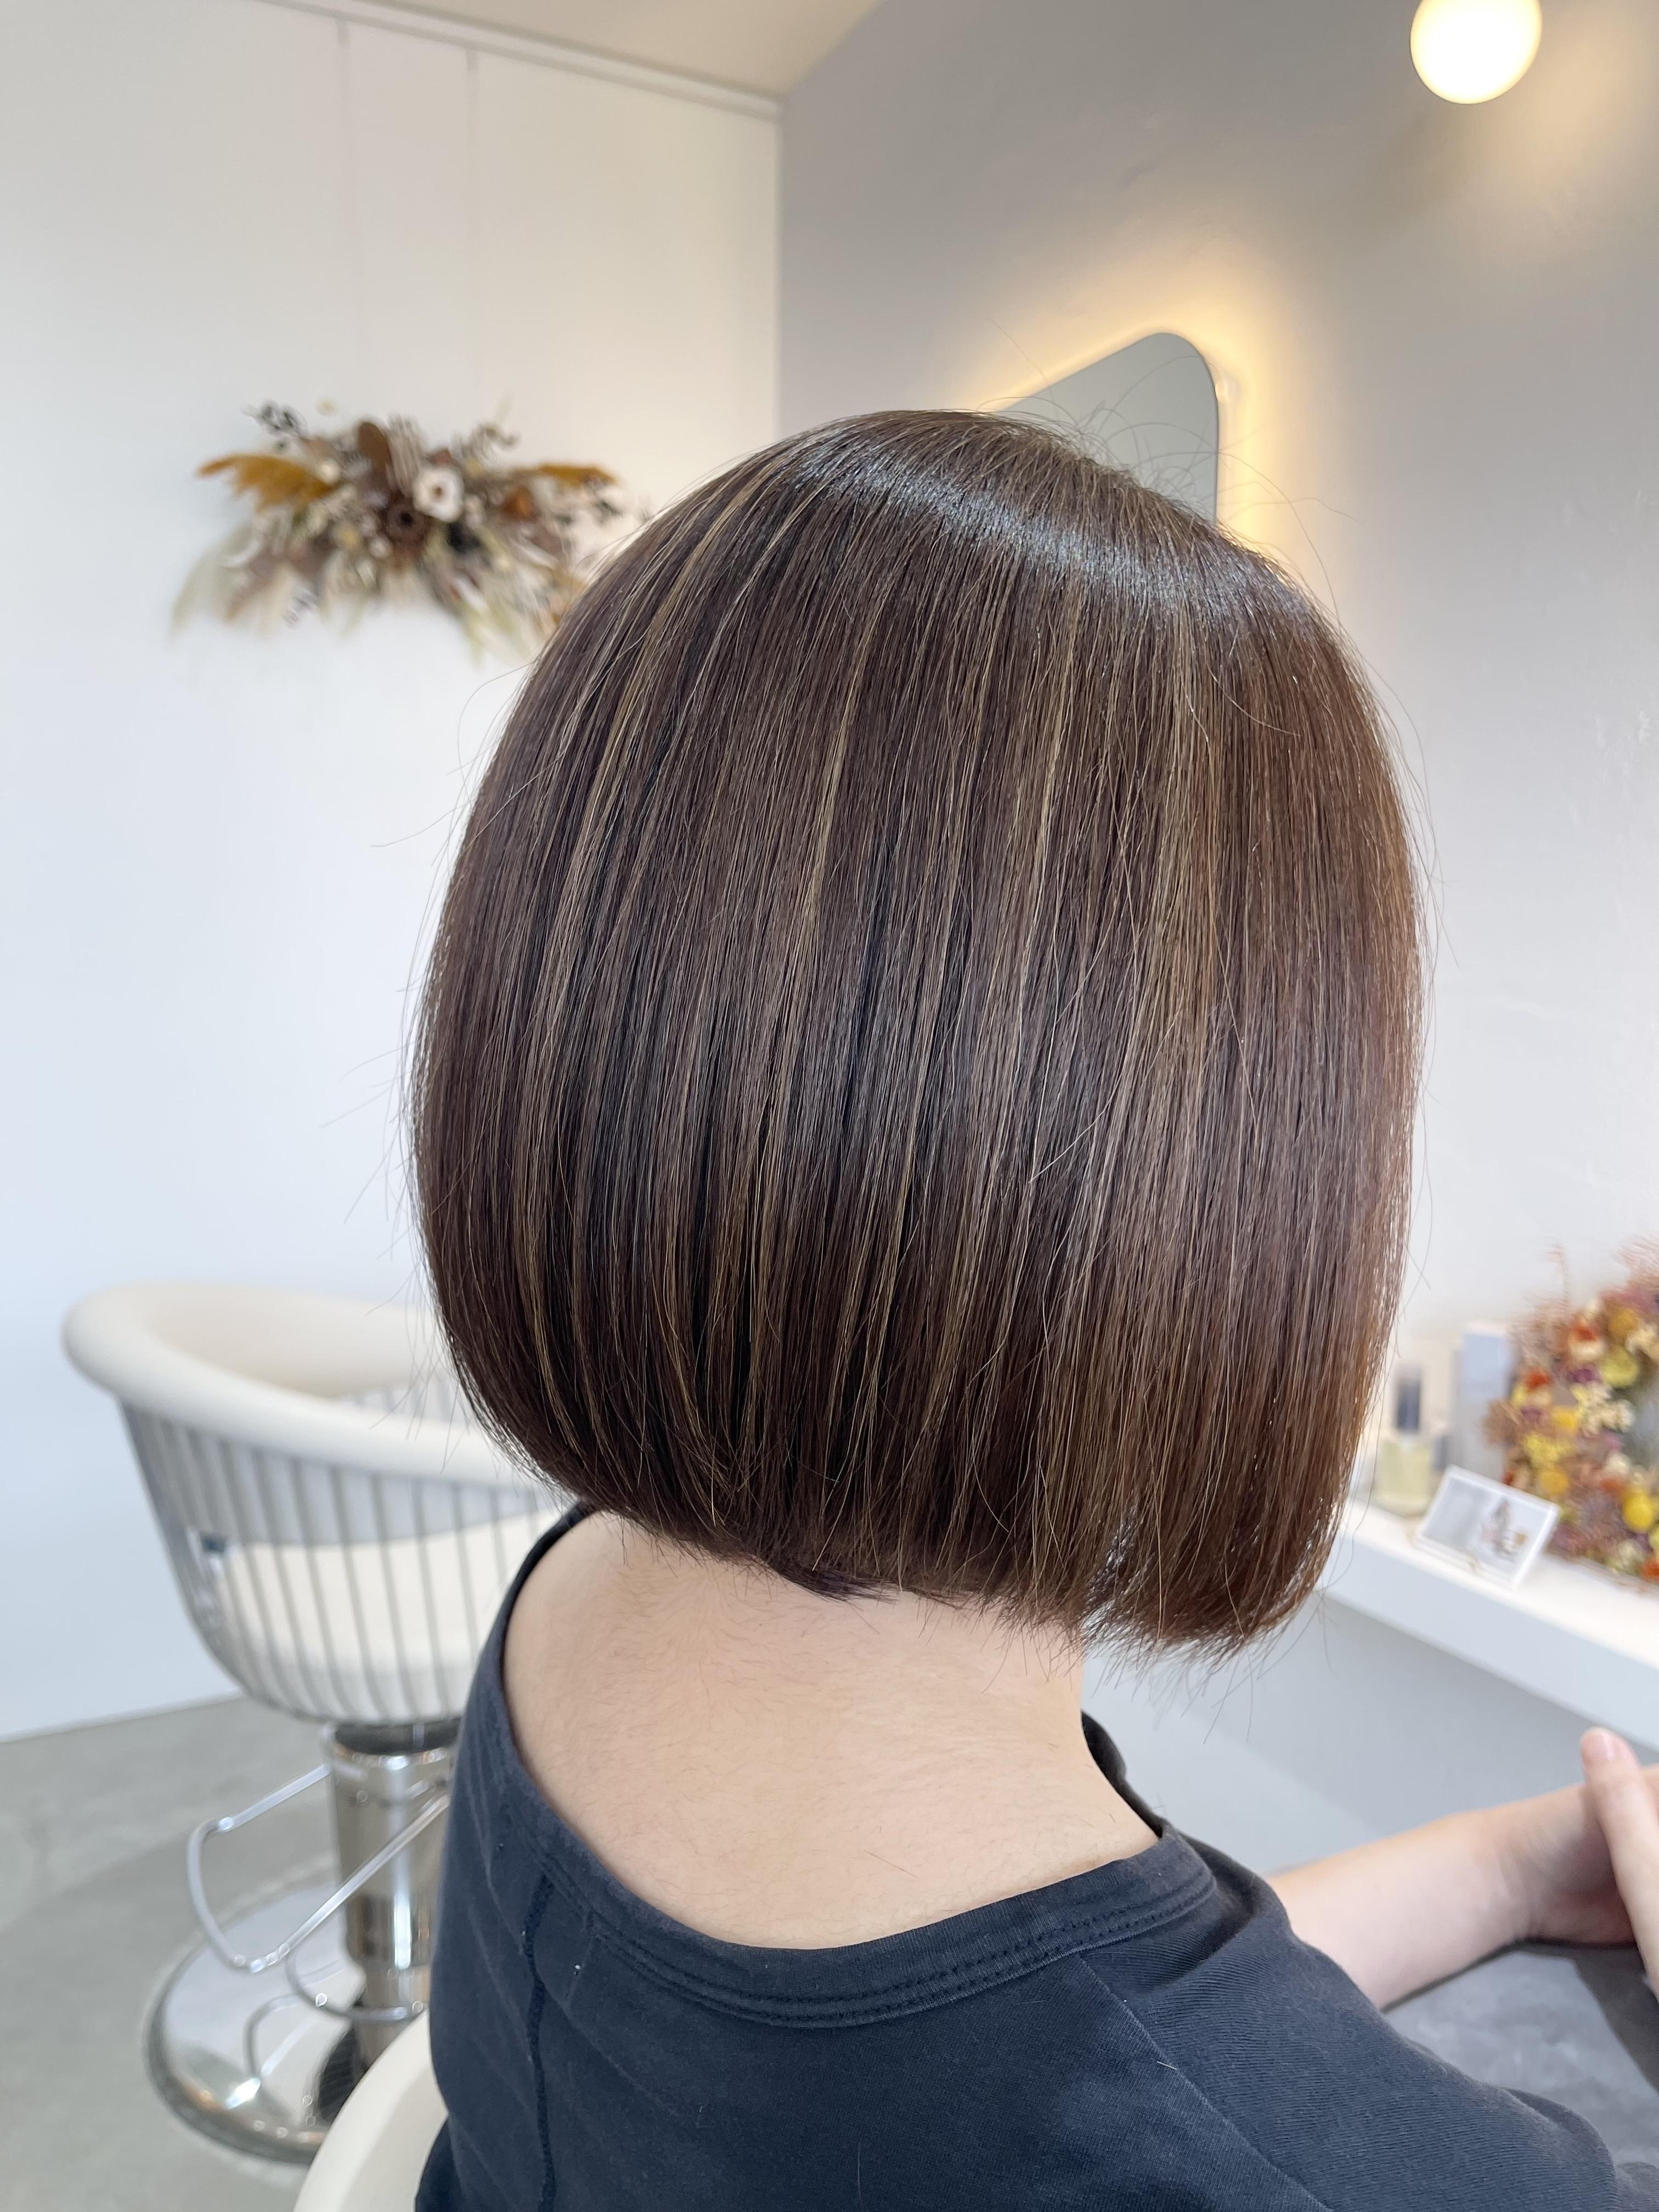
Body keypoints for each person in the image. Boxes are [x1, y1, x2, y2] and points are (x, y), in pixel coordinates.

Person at [410, 410, 1659, 2209]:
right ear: (1242, 1162)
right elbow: (1145, 2081)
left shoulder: (583, 1606)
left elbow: (1064, 2040)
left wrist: (1509, 1867)